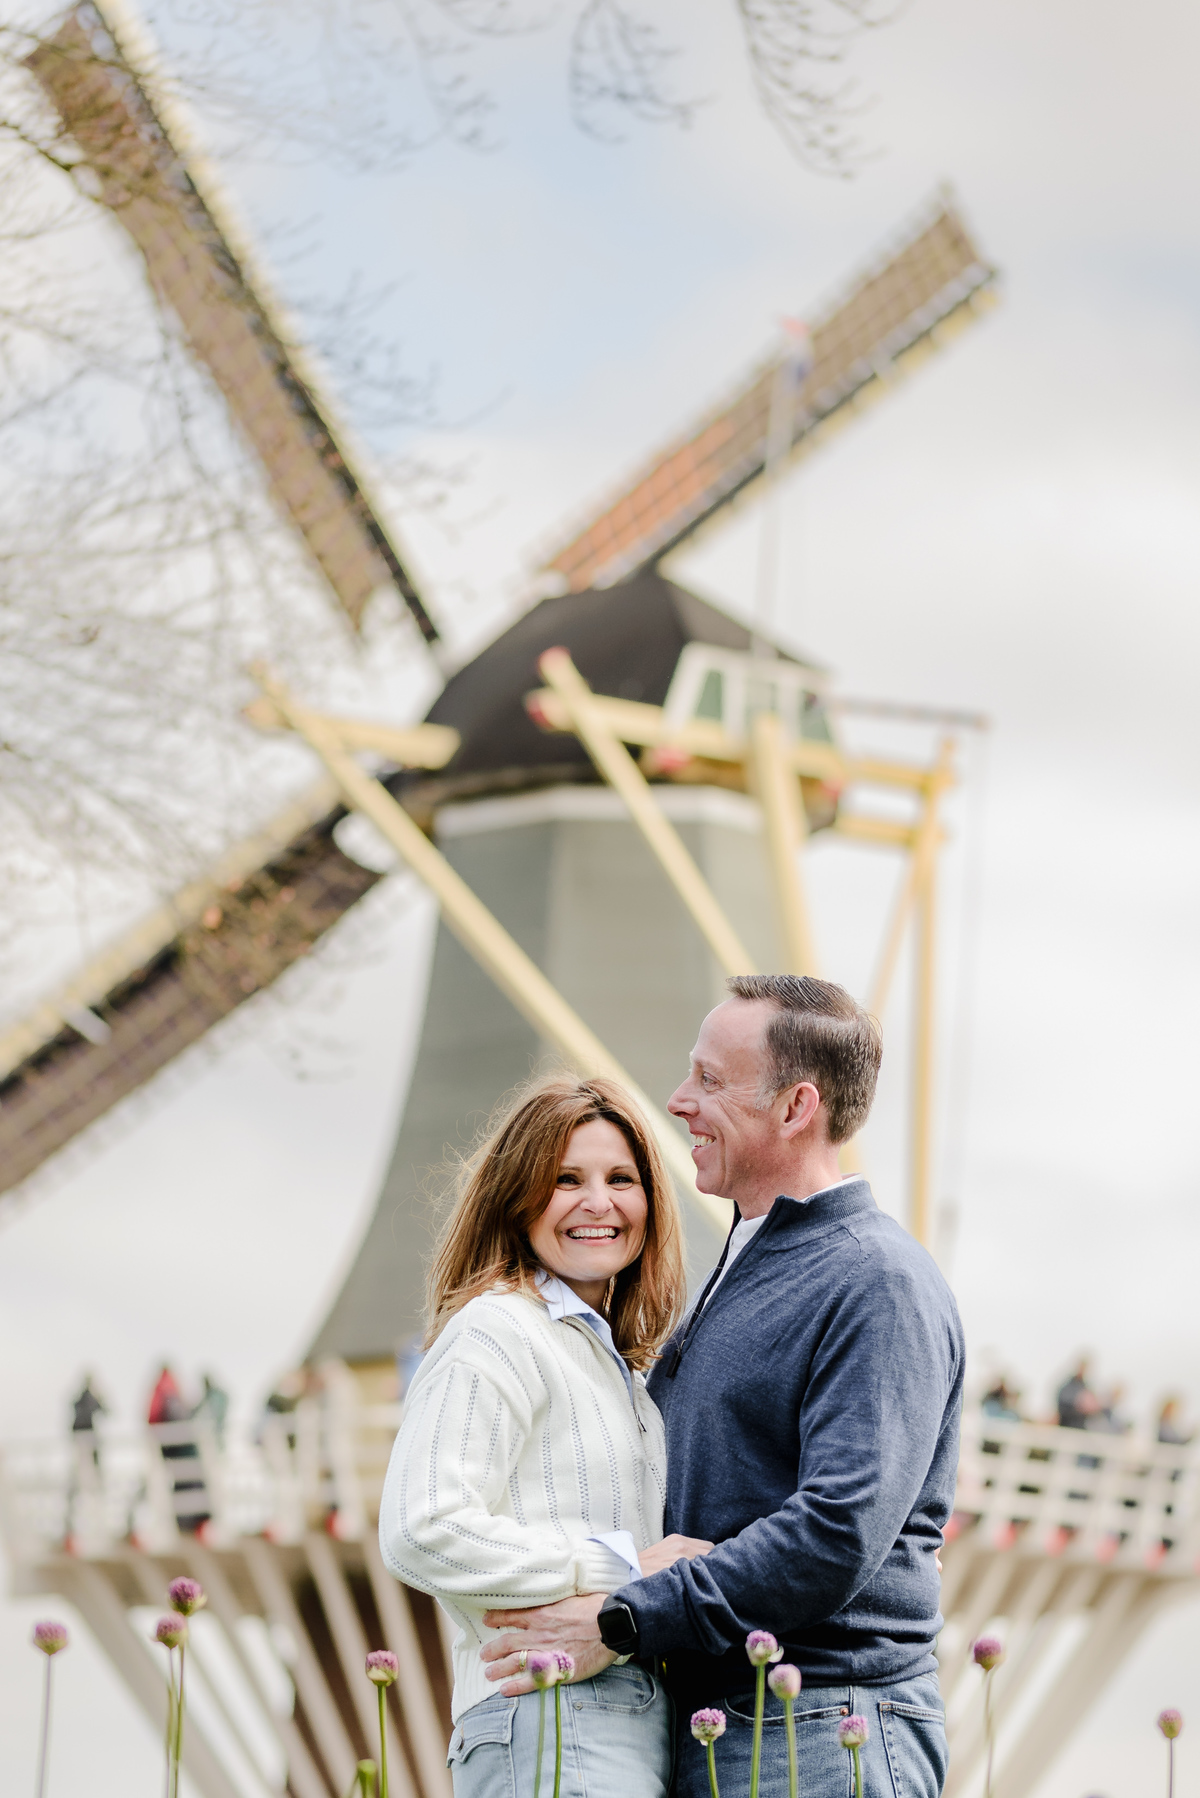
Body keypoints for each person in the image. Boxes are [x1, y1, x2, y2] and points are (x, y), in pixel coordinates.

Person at [480, 975, 965, 1798]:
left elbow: (837, 1530)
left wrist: (626, 1617)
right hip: (727, 1724)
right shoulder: (747, 1268)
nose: (677, 1100)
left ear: (794, 1107)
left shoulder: (874, 1279)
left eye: (709, 1079)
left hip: (820, 1723)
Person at [379, 1075, 701, 1798]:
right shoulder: (499, 1331)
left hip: (622, 1719)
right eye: (565, 1179)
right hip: (552, 1715)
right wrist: (620, 1568)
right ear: (518, 1198)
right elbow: (421, 1527)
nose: (598, 1202)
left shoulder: (619, 1371)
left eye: (622, 1178)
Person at [1056, 1358, 1101, 1430]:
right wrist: (1078, 1403)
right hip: (1066, 1426)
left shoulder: (1087, 1388)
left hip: (1081, 1428)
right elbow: (1062, 1404)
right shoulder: (1067, 1386)